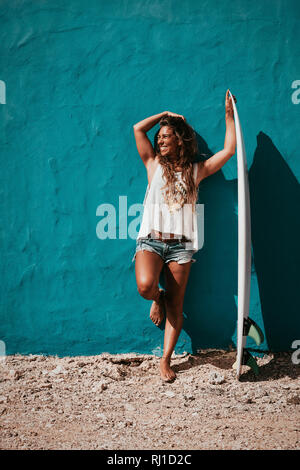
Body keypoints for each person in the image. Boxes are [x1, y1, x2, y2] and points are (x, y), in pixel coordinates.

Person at [132, 90, 237, 382]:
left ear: (180, 139)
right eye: (160, 137)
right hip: (151, 241)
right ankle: (158, 297)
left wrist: (229, 117)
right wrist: (165, 113)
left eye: (166, 136)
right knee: (144, 286)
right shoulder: (153, 165)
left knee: (177, 306)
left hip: (181, 248)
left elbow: (228, 151)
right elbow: (138, 129)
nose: (160, 140)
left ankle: (165, 360)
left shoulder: (195, 171)